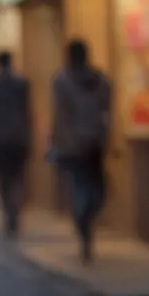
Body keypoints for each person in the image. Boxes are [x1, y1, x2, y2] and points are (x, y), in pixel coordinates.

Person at [50, 39, 111, 263]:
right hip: (93, 143)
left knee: (80, 189)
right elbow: (107, 113)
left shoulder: (62, 80)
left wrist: (56, 140)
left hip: (74, 144)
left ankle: (84, 225)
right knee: (94, 189)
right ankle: (86, 225)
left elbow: (59, 114)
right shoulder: (101, 80)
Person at [0, 51, 31, 237]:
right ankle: (14, 212)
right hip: (18, 137)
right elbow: (27, 112)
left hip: (0, 138)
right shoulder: (21, 84)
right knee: (18, 177)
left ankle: (10, 212)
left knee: (4, 178)